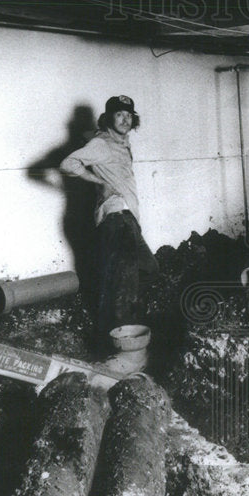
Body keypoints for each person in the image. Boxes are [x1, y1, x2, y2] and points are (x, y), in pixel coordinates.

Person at [60, 95, 159, 352]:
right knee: (122, 280)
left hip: (127, 217)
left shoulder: (119, 142)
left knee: (145, 268)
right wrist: (98, 181)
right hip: (116, 217)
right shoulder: (102, 143)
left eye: (129, 115)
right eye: (119, 114)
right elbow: (68, 164)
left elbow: (88, 137)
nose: (125, 119)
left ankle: (117, 328)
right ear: (109, 118)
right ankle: (118, 340)